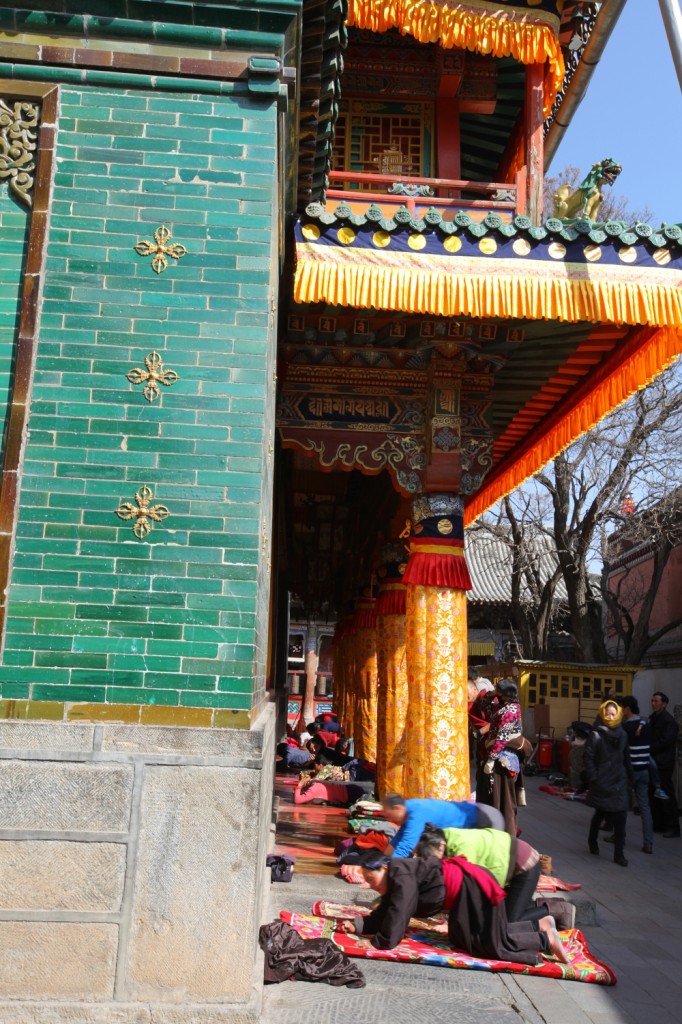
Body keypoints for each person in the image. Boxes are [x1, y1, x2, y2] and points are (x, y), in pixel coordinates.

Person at [336, 852, 568, 964]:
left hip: (473, 887)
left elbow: (399, 912)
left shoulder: (402, 876)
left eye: (371, 877)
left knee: (490, 944)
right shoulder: (396, 876)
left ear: (385, 868)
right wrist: (358, 924)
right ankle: (539, 924)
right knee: (463, 938)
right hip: (464, 893)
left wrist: (380, 942)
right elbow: (386, 910)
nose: (371, 884)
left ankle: (545, 939)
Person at [414, 826, 576, 929]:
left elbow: (472, 884)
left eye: (437, 857)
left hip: (525, 865)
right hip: (510, 865)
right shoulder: (446, 837)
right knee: (506, 912)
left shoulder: (461, 846)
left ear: (441, 845)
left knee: (507, 924)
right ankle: (545, 906)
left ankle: (559, 910)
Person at [585, 700, 633, 866]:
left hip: (619, 780)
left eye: (613, 714)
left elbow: (626, 756)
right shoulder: (596, 734)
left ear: (618, 714)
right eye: (607, 714)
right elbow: (589, 757)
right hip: (602, 781)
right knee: (600, 813)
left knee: (621, 818)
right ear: (602, 714)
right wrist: (595, 777)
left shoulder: (623, 734)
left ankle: (619, 854)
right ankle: (592, 841)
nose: (610, 717)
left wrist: (630, 776)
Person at [382, 794, 504, 858]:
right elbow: (397, 841)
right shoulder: (409, 808)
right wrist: (381, 862)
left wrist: (387, 870)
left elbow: (406, 847)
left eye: (389, 815)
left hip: (485, 819)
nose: (389, 819)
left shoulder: (416, 812)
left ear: (397, 808)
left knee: (488, 859)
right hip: (483, 812)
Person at [476, 679, 523, 836]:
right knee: (494, 798)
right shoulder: (502, 706)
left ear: (503, 692)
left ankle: (506, 833)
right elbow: (484, 706)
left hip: (503, 759)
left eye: (497, 689)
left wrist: (491, 759)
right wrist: (493, 694)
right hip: (496, 754)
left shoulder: (511, 710)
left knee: (504, 800)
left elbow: (502, 737)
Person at [618, 696, 654, 854]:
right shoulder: (645, 724)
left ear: (627, 708)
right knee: (645, 806)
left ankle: (620, 837)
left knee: (623, 807)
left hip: (629, 771)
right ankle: (648, 843)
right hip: (644, 769)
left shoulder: (626, 727)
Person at [649, 691, 680, 838]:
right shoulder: (654, 718)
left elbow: (666, 741)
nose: (654, 703)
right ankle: (659, 824)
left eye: (656, 701)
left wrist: (650, 747)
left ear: (664, 704)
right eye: (652, 701)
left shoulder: (668, 721)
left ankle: (673, 826)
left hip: (663, 763)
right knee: (654, 794)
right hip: (654, 762)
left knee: (666, 794)